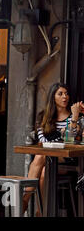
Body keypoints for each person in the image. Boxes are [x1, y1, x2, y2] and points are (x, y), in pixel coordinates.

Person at [22, 83, 81, 214]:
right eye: (60, 94)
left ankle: (25, 199)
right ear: (52, 97)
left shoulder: (73, 118)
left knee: (40, 156)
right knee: (43, 173)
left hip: (67, 162)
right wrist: (61, 134)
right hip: (49, 162)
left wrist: (75, 118)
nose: (64, 97)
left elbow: (70, 142)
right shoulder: (44, 117)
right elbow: (42, 141)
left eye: (66, 94)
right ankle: (41, 212)